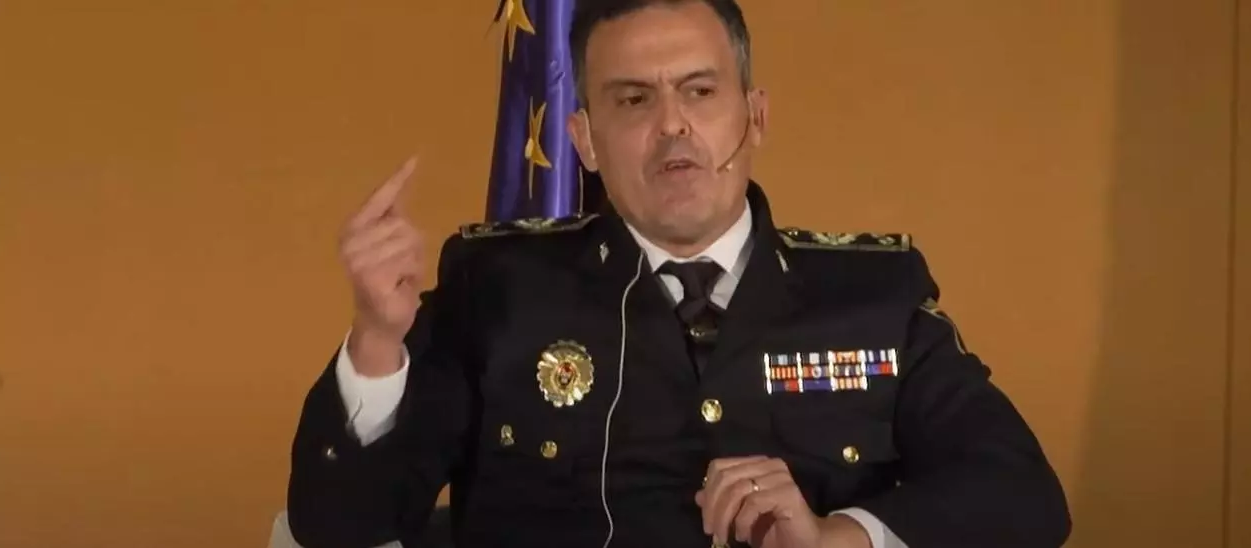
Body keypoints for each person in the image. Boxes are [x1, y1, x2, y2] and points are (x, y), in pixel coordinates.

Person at [285, 1, 1072, 547]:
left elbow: (1023, 495)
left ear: (754, 116)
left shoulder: (872, 294)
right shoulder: (497, 291)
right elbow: (338, 525)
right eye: (633, 101)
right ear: (584, 141)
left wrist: (842, 537)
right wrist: (376, 345)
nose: (673, 126)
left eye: (700, 91)